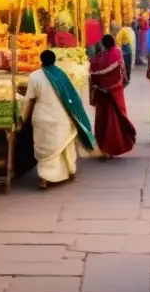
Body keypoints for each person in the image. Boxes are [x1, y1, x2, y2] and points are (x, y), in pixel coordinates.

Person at [22, 49, 97, 189]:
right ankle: (69, 171)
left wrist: (23, 117)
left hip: (43, 119)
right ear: (55, 60)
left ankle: (45, 178)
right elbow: (72, 97)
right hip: (61, 118)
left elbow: (29, 100)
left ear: (41, 61)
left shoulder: (34, 77)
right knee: (64, 146)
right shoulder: (61, 75)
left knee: (46, 149)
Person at [89, 34, 137, 159]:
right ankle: (114, 147)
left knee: (103, 119)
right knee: (116, 118)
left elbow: (94, 73)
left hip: (102, 93)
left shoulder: (99, 59)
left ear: (104, 45)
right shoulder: (117, 52)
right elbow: (122, 70)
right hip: (115, 91)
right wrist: (124, 81)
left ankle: (104, 148)